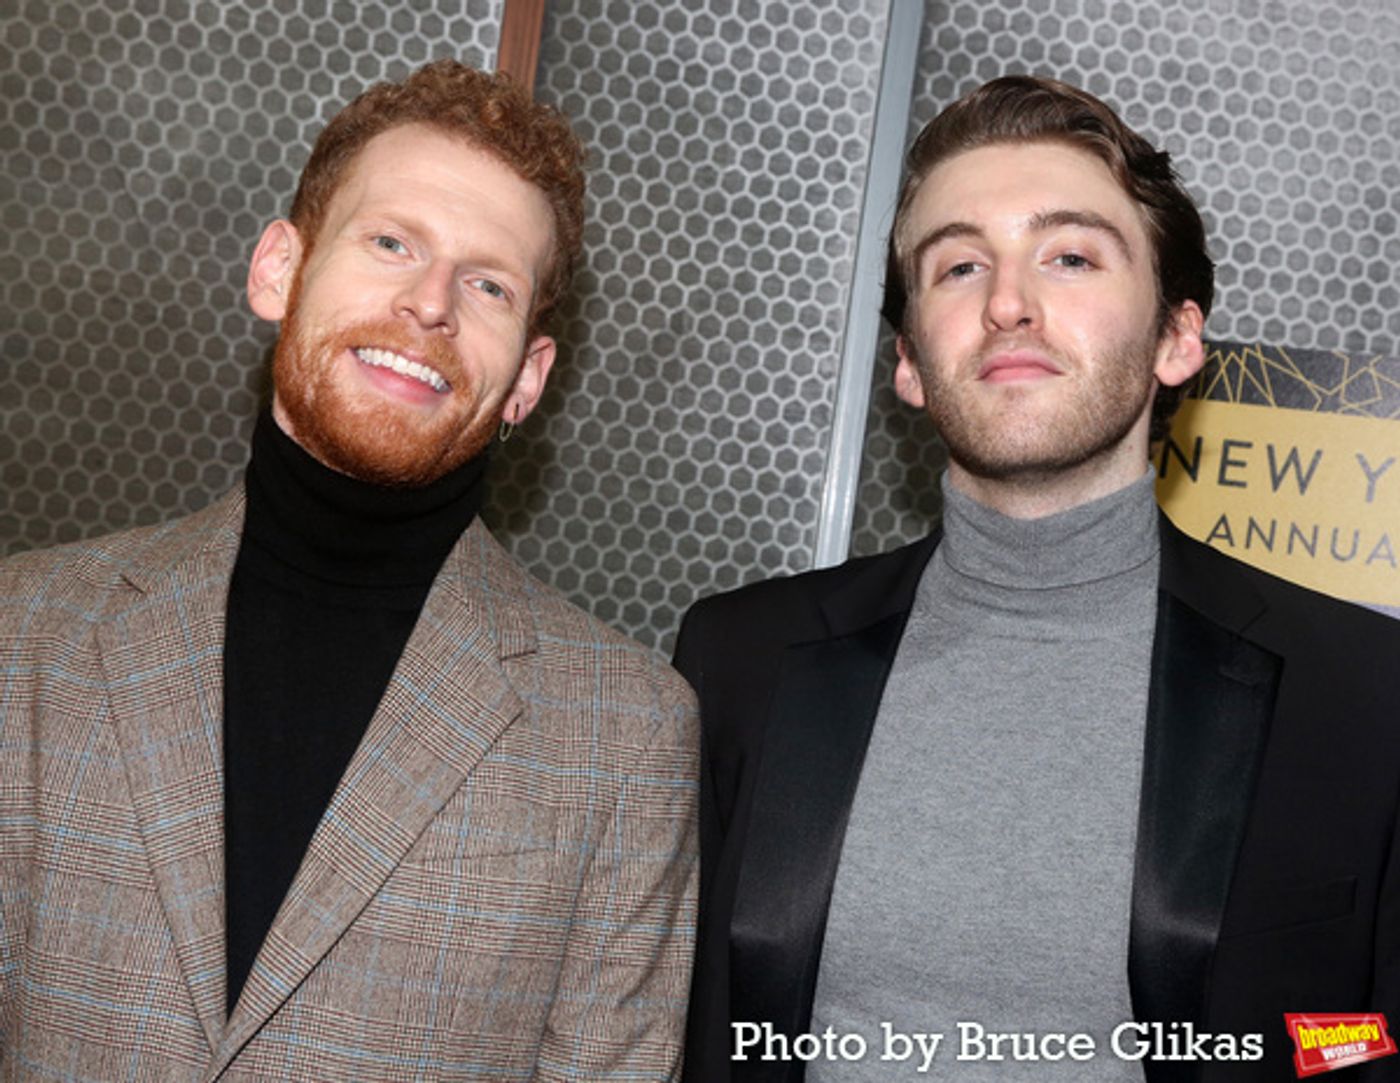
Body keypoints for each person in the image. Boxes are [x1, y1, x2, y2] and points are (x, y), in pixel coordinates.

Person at [677, 76, 1400, 1081]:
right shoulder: (737, 660)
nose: (1008, 303)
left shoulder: (1363, 690)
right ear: (909, 361)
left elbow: (1366, 1045)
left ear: (1176, 337)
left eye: (1069, 256)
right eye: (960, 265)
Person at [0, 60, 697, 1081]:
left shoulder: (626, 737)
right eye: (390, 243)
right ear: (278, 270)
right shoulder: (24, 635)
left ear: (527, 378)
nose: (429, 303)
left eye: (488, 284)